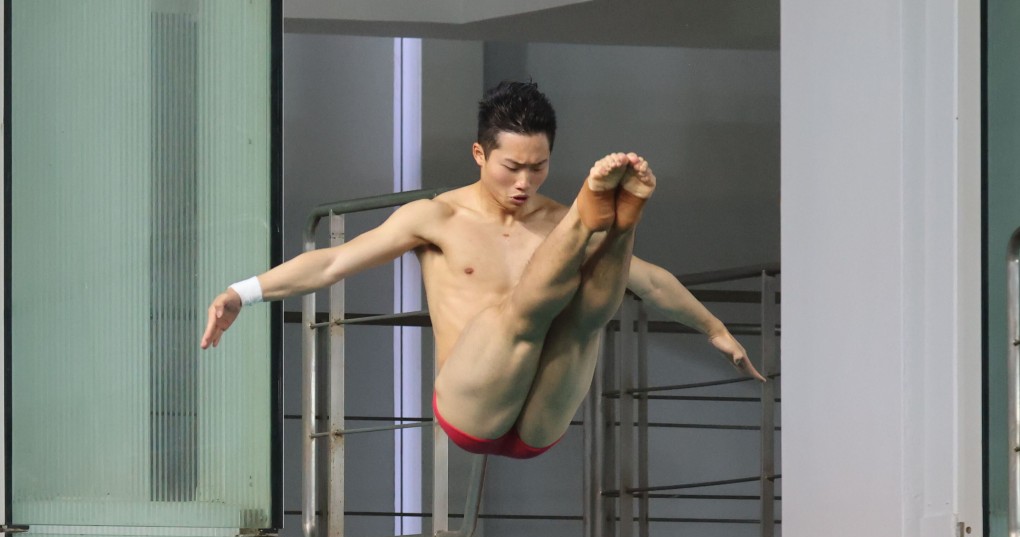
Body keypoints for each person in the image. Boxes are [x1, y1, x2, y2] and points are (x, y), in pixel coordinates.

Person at [201, 81, 764, 459]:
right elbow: (332, 262)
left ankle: (622, 221)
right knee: (521, 312)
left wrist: (714, 330)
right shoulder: (437, 216)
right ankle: (602, 215)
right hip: (470, 408)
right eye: (511, 167)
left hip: (541, 423)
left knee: (591, 316)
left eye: (539, 168)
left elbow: (651, 283)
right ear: (479, 155)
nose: (524, 183)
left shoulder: (552, 218)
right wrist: (243, 293)